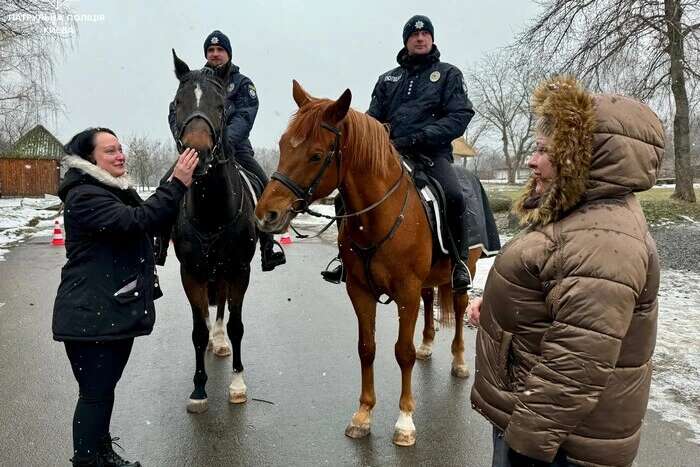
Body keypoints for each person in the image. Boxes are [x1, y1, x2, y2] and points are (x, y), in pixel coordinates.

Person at [468, 77, 662, 467]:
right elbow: (556, 302)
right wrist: (496, 306)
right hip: (544, 425)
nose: (530, 160)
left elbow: (578, 360)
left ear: (582, 156)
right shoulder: (578, 215)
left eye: (543, 150)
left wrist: (525, 444)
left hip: (555, 443)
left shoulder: (602, 238)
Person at [53, 127, 198, 466]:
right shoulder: (85, 195)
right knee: (94, 395)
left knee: (102, 392)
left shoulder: (108, 190)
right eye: (110, 151)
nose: (120, 155)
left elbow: (148, 218)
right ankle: (87, 460)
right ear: (90, 159)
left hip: (107, 310)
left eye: (120, 149)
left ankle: (100, 453)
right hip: (91, 314)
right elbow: (138, 220)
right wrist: (176, 182)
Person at [321, 15, 475, 290]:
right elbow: (372, 119)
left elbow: (460, 115)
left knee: (453, 196)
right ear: (406, 41)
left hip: (432, 156)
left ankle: (458, 263)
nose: (420, 38)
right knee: (345, 196)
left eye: (425, 33)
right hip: (389, 155)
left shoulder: (449, 74)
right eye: (414, 35)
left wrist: (419, 138)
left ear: (432, 39)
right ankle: (346, 258)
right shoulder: (388, 79)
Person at [165, 29, 285, 272]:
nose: (215, 54)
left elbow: (245, 115)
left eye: (220, 50)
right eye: (211, 50)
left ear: (228, 54)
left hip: (236, 150)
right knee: (165, 184)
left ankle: (268, 247)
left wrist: (223, 141)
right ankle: (159, 244)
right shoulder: (193, 81)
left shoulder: (242, 83)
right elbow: (175, 112)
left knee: (263, 184)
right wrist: (185, 140)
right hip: (197, 149)